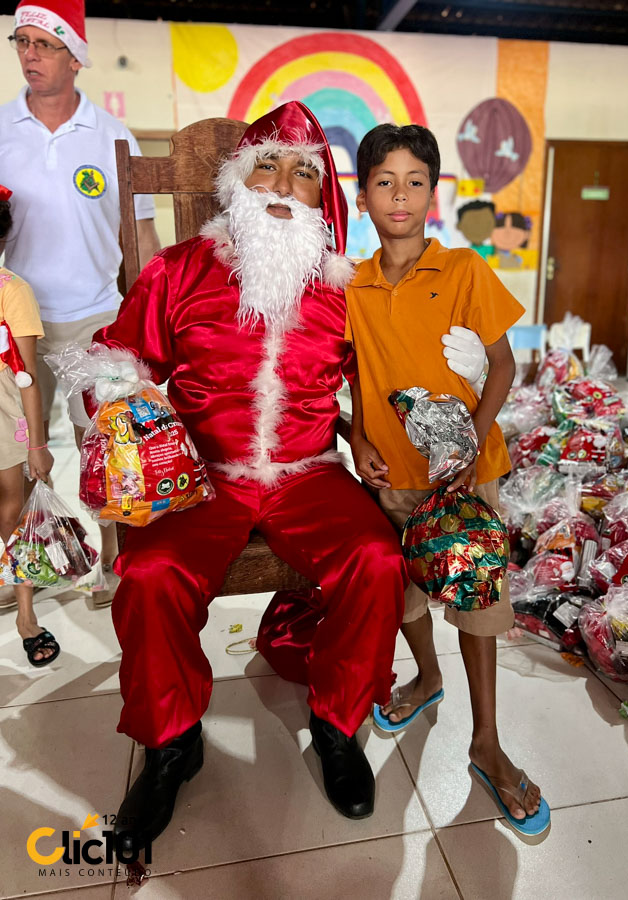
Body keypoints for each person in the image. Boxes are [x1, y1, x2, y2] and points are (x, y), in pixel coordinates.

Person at [79, 102, 407, 851]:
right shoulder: (178, 270)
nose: (284, 185)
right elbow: (121, 359)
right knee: (150, 574)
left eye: (303, 173)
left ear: (322, 197)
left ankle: (336, 723)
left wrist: (378, 431)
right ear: (238, 183)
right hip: (203, 474)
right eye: (268, 166)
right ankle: (171, 742)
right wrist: (127, 413)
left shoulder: (345, 289)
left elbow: (378, 378)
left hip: (308, 470)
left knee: (378, 560)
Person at [346, 123, 550, 834]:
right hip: (392, 478)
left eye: (414, 181)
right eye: (383, 182)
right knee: (402, 591)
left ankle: (486, 742)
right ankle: (427, 677)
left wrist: (472, 442)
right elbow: (352, 377)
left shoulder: (463, 269)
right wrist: (357, 437)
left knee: (475, 605)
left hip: (464, 480)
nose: (399, 195)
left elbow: (504, 363)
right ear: (362, 195)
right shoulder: (351, 286)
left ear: (434, 192)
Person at [0, 0, 161, 609]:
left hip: (96, 317)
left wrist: (151, 314)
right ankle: (22, 570)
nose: (29, 54)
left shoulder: (112, 135)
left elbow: (140, 236)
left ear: (75, 58)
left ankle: (114, 565)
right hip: (15, 323)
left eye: (43, 44)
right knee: (15, 447)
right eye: (21, 41)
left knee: (105, 445)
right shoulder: (0, 128)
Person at [0, 185, 59, 666]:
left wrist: (38, 445)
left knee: (12, 514)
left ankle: (25, 615)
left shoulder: (12, 291)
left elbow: (27, 375)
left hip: (3, 418)